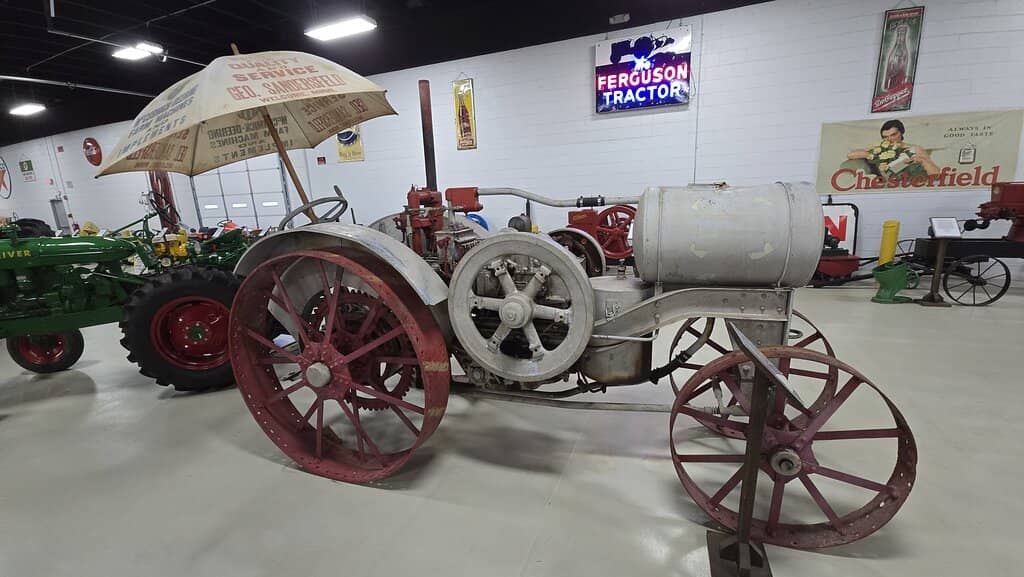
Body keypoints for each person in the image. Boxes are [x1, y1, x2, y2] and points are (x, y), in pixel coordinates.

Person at [847, 119, 939, 176]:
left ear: (901, 132)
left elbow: (936, 174)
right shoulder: (879, 150)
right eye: (885, 137)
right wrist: (870, 155)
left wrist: (921, 160)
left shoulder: (915, 149)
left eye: (893, 135)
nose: (890, 139)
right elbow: (850, 155)